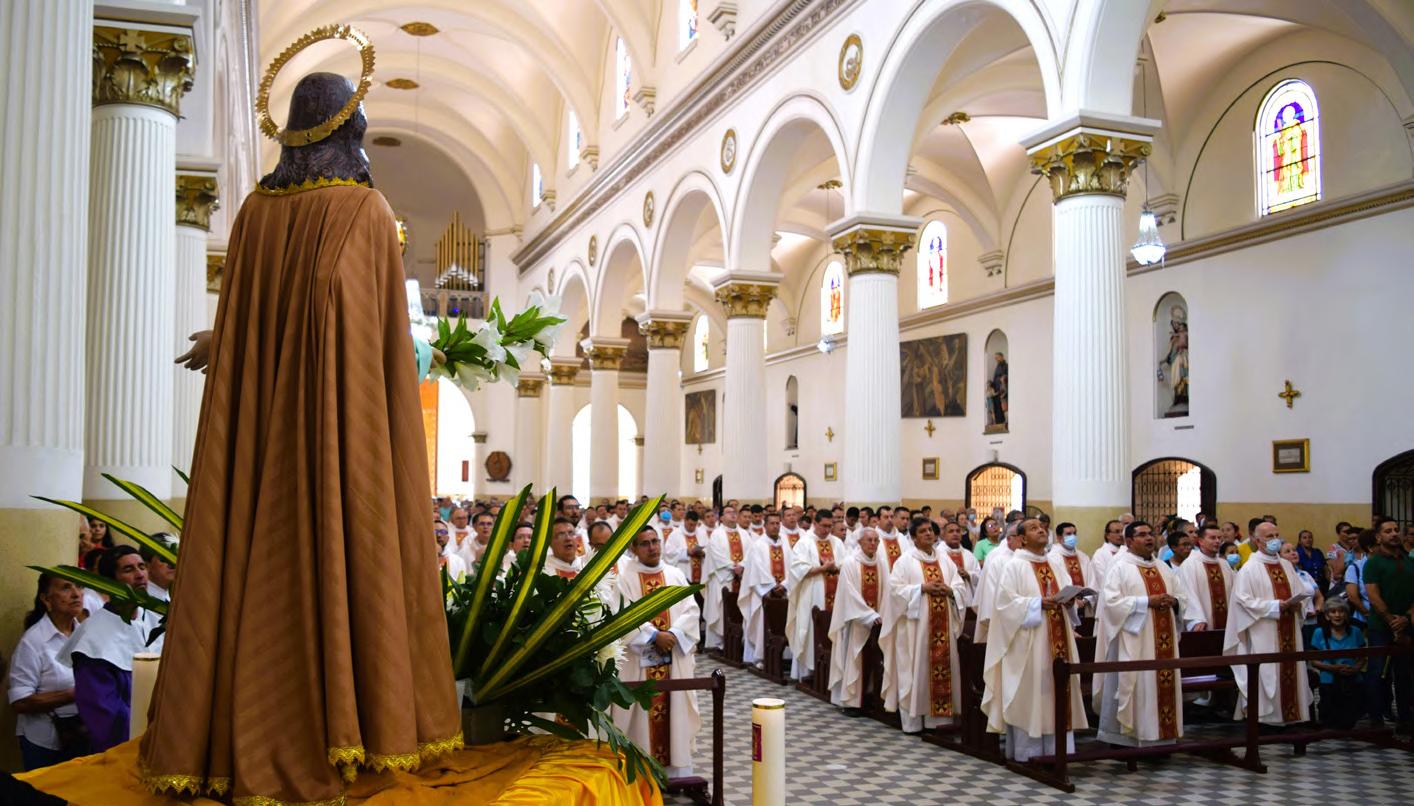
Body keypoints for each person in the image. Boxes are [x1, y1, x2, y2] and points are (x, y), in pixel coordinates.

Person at [982, 519, 1088, 761]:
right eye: (1033, 528)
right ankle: (1028, 753)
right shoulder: (1014, 566)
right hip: (1029, 645)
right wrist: (1037, 603)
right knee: (1031, 694)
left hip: (1059, 638)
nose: (1040, 530)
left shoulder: (1055, 563)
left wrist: (1070, 602)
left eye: (1042, 527)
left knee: (1057, 690)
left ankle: (1057, 752)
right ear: (1021, 539)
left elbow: (1066, 592)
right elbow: (1004, 605)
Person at [612, 526, 701, 777]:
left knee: (675, 713)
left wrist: (674, 634)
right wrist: (654, 635)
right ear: (633, 548)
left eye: (655, 541)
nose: (652, 547)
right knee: (640, 718)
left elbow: (691, 610)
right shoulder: (624, 578)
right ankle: (641, 774)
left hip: (674, 659)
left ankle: (675, 774)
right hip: (639, 663)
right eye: (645, 543)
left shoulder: (675, 574)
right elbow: (622, 614)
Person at [1093, 521, 1189, 747]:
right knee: (1137, 686)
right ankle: (1130, 739)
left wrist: (1175, 602)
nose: (1149, 538)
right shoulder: (1120, 567)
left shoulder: (1163, 568)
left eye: (1151, 534)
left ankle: (1163, 739)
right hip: (1134, 641)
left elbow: (1182, 597)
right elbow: (1111, 603)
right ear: (1128, 541)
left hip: (1164, 643)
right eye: (1142, 535)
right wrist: (1147, 602)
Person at [59, 546, 158, 752]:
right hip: (124, 748)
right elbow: (104, 714)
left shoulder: (156, 620)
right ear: (109, 582)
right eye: (128, 569)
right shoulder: (93, 638)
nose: (140, 575)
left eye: (142, 567)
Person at [884, 518, 969, 734]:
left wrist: (950, 591)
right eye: (922, 531)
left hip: (943, 627)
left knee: (941, 670)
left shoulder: (945, 560)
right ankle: (913, 723)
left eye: (930, 530)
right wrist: (922, 588)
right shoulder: (905, 561)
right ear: (913, 537)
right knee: (915, 671)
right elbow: (894, 591)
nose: (928, 534)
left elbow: (959, 586)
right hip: (915, 630)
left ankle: (937, 722)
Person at [1224, 521, 1312, 726]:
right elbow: (1243, 602)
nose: (1275, 540)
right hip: (1263, 632)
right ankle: (1268, 721)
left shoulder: (1286, 565)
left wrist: (1298, 605)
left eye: (1276, 535)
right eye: (1269, 537)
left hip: (1290, 629)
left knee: (1291, 672)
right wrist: (1274, 606)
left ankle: (1293, 718)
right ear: (1257, 541)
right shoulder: (1249, 569)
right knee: (1268, 672)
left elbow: (1301, 592)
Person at [8, 574, 88, 769]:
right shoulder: (33, 641)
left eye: (79, 586)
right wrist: (74, 694)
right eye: (66, 588)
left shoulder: (86, 633)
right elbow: (20, 701)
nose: (76, 594)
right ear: (46, 599)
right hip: (45, 742)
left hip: (83, 734)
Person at [828, 527, 890, 715]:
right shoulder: (850, 563)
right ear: (860, 542)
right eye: (869, 540)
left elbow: (887, 591)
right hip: (856, 621)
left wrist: (883, 614)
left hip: (878, 621)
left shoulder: (881, 562)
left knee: (874, 658)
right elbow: (849, 593)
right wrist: (869, 615)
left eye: (876, 540)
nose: (873, 544)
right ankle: (852, 702)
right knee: (855, 660)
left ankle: (870, 696)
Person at [1362, 516, 1414, 732]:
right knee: (1377, 673)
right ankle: (1376, 719)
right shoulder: (1373, 563)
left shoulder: (1409, 561)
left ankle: (1405, 719)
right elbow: (1373, 596)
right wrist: (1392, 621)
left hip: (1407, 624)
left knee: (1405, 674)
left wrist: (1407, 618)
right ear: (1378, 537)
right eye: (1388, 531)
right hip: (1381, 626)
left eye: (1396, 530)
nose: (1394, 534)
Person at [786, 512, 845, 680]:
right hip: (812, 595)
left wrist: (836, 567)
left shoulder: (837, 543)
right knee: (810, 628)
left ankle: (831, 672)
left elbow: (846, 565)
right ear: (815, 523)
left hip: (835, 595)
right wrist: (822, 569)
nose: (827, 530)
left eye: (830, 526)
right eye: (824, 526)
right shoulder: (804, 543)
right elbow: (798, 570)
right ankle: (808, 673)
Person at [738, 513, 792, 668]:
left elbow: (792, 567)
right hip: (763, 594)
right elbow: (756, 571)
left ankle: (783, 656)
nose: (775, 526)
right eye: (772, 523)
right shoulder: (758, 545)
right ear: (765, 526)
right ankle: (760, 656)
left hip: (784, 593)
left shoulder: (786, 544)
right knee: (762, 623)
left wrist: (784, 585)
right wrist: (772, 588)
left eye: (777, 523)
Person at [1308, 598, 1365, 730]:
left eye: (1341, 611)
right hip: (1329, 681)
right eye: (1333, 612)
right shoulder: (1319, 633)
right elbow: (1314, 661)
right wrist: (1333, 668)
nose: (1337, 615)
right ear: (1327, 616)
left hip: (1352, 680)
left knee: (1350, 719)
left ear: (1346, 614)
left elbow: (1362, 657)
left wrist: (1355, 669)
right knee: (1330, 720)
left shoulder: (1356, 631)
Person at [702, 507, 748, 651]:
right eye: (729, 512)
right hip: (722, 577)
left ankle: (738, 641)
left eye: (734, 512)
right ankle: (719, 643)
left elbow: (751, 552)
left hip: (741, 577)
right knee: (720, 609)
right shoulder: (716, 534)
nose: (733, 514)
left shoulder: (744, 534)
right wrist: (733, 566)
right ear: (721, 518)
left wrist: (742, 565)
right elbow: (717, 555)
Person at [1175, 524, 1233, 632]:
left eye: (1219, 538)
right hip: (1202, 626)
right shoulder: (1190, 564)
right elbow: (1188, 594)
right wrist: (1196, 620)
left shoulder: (1224, 564)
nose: (1217, 541)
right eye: (1212, 538)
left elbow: (1233, 592)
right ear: (1201, 541)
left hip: (1227, 626)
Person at [1047, 522, 1096, 613]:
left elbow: (1092, 580)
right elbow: (1056, 583)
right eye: (1069, 534)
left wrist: (1086, 599)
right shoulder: (1052, 558)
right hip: (1066, 605)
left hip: (1085, 605)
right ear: (1059, 538)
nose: (1073, 536)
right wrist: (1073, 600)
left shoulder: (1083, 557)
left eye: (1074, 533)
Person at [663, 511, 708, 586]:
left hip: (701, 574)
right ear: (685, 521)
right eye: (690, 524)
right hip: (684, 572)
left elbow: (708, 549)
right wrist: (686, 552)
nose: (692, 527)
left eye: (695, 525)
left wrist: (703, 553)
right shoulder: (675, 534)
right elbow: (668, 553)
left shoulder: (702, 533)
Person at [939, 521, 981, 597]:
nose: (955, 534)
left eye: (958, 531)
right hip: (946, 596)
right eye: (951, 531)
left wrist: (968, 574)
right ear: (944, 536)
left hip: (967, 597)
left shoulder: (969, 555)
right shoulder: (938, 554)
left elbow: (979, 576)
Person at [1090, 519, 1126, 584]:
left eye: (1122, 531)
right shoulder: (1100, 554)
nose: (1121, 535)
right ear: (1107, 535)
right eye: (1117, 531)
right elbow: (1102, 579)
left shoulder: (1127, 551)